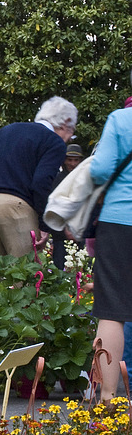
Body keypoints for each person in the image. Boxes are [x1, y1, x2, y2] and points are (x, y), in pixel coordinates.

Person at [0, 96, 76, 264]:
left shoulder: (5, 131)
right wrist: (44, 225)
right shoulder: (53, 141)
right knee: (24, 276)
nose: (69, 138)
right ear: (65, 122)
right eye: (71, 132)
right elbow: (41, 183)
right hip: (18, 208)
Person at [89, 103, 132, 401]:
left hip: (119, 222)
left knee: (112, 310)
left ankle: (107, 399)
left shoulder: (120, 119)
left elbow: (101, 169)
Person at [47, 143, 85, 269]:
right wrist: (66, 228)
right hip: (61, 235)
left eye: (76, 160)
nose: (73, 164)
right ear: (64, 160)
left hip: (81, 232)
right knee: (60, 273)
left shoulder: (86, 180)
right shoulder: (57, 179)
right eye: (70, 160)